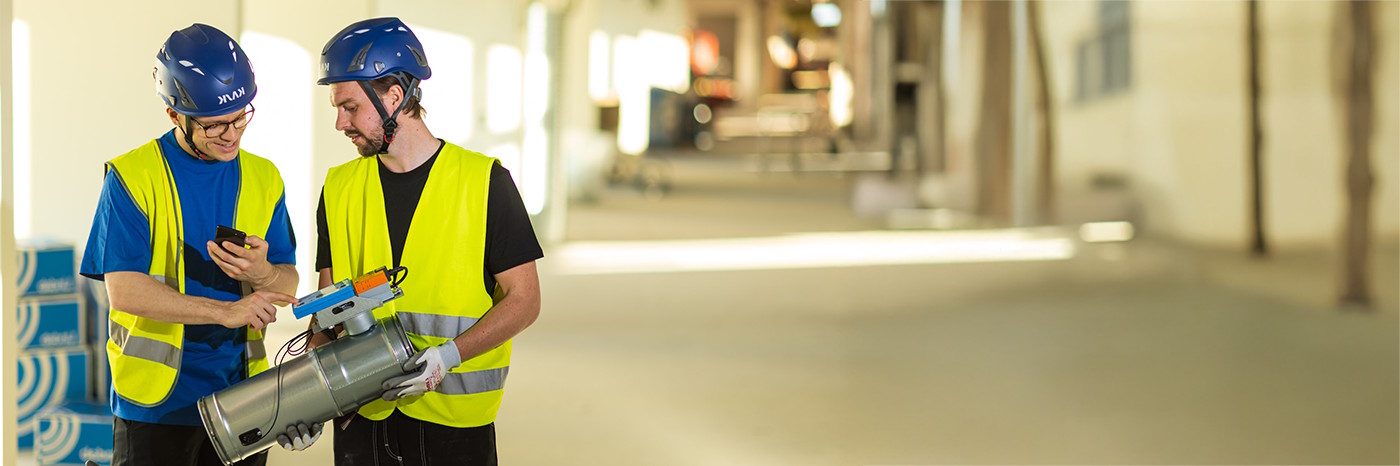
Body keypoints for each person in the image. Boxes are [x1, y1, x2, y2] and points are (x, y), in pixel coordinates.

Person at [299, 17, 543, 465]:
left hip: (454, 428)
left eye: (350, 107)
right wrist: (310, 398)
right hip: (363, 422)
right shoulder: (338, 188)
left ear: (394, 96)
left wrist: (448, 356)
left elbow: (524, 301)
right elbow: (328, 314)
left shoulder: (484, 182)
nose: (339, 123)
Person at [79, 23, 299, 466]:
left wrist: (262, 273)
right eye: (215, 125)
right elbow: (124, 290)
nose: (232, 134)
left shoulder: (265, 177)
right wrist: (224, 311)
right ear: (174, 114)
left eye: (240, 117)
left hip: (244, 398)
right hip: (156, 406)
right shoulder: (132, 177)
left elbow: (288, 283)